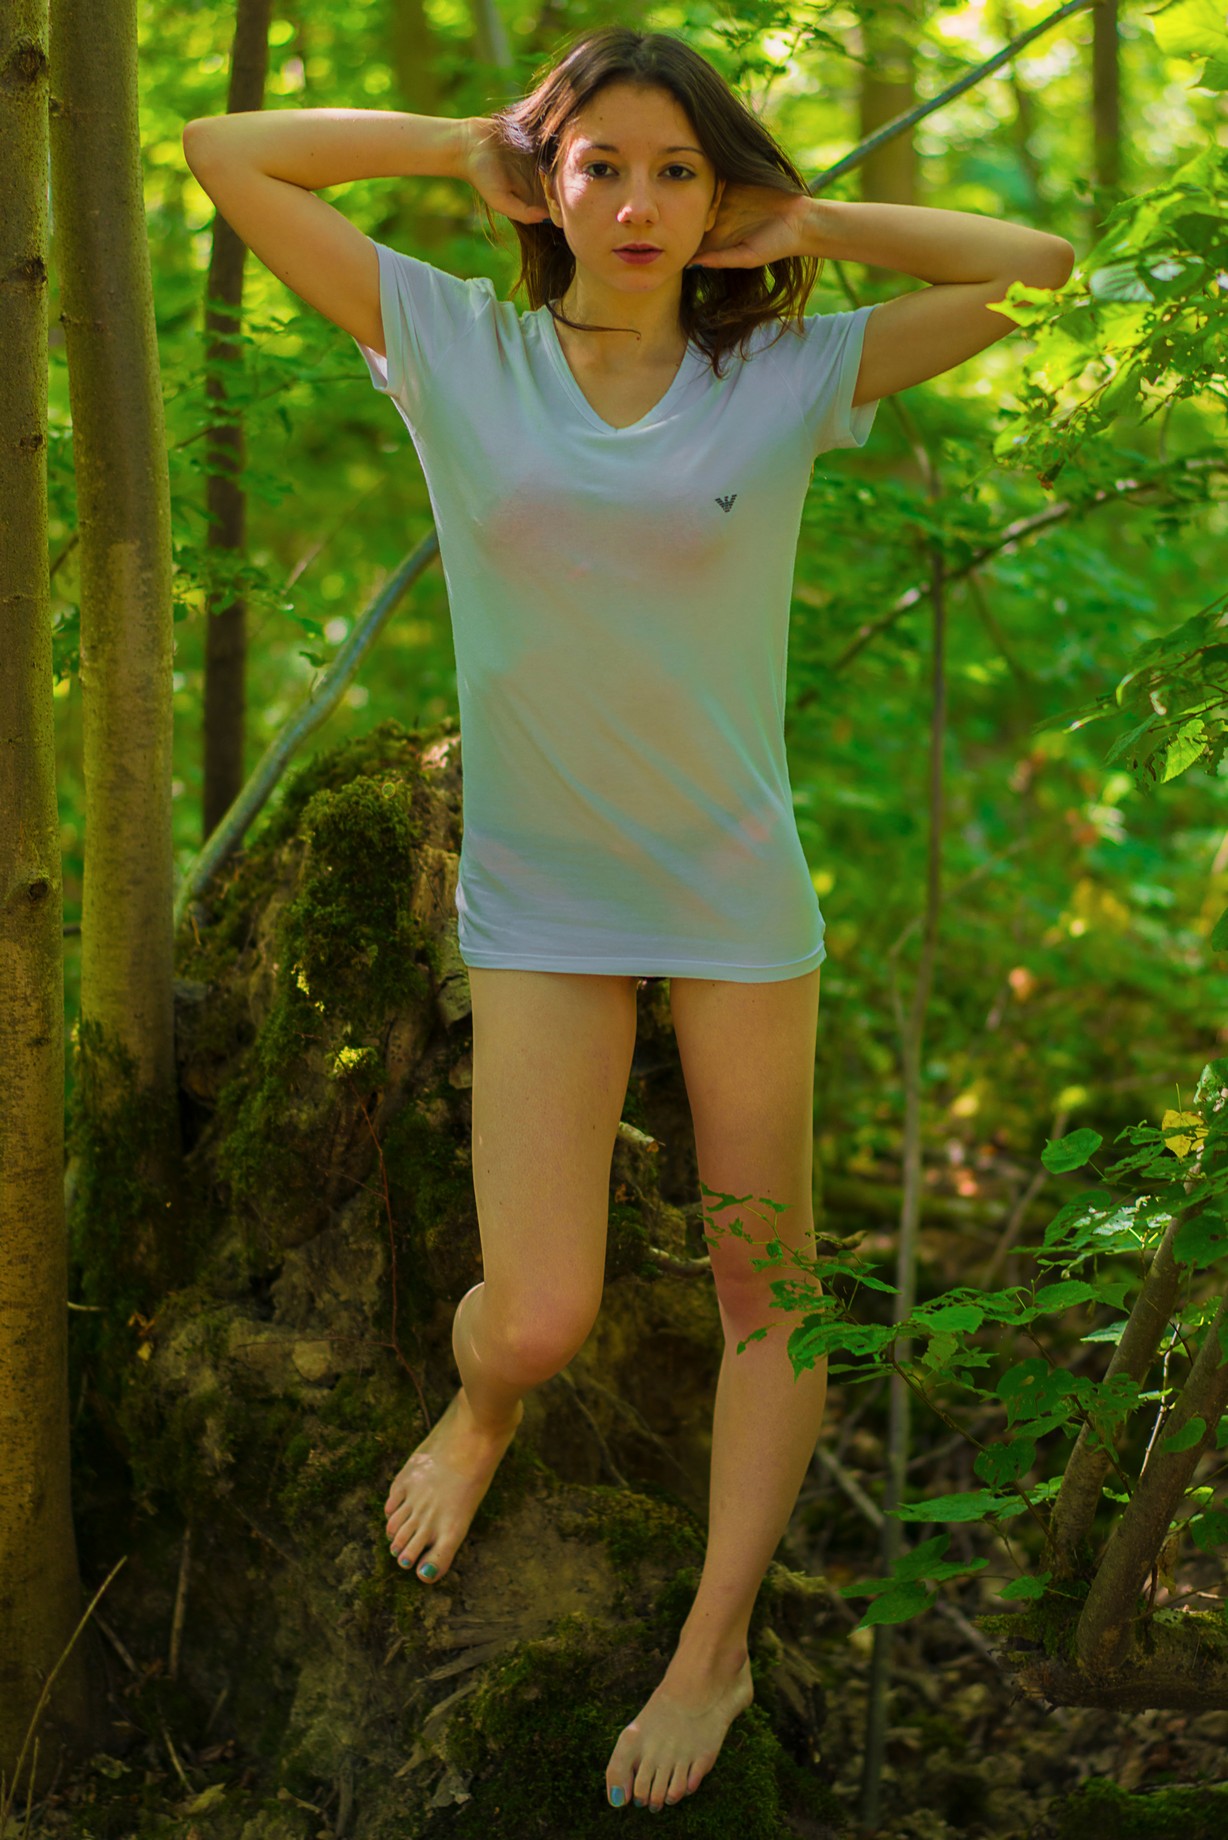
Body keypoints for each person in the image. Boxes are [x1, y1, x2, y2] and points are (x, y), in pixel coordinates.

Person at [182, 23, 1074, 1815]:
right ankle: (485, 1408)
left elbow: (1034, 269)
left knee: (772, 1293)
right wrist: (466, 144)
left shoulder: (786, 373)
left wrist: (802, 219)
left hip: (733, 895)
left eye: (681, 172)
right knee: (535, 1320)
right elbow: (226, 153)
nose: (644, 204)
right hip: (542, 900)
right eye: (605, 167)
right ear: (552, 183)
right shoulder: (454, 344)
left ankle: (711, 1647)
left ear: (718, 194)